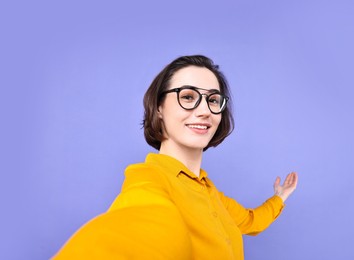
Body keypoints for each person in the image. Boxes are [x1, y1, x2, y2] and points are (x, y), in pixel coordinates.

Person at [53, 55, 298, 259]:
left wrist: (280, 197)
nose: (204, 111)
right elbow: (135, 233)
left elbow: (251, 221)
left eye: (213, 100)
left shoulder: (210, 192)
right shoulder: (148, 182)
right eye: (188, 97)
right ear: (159, 107)